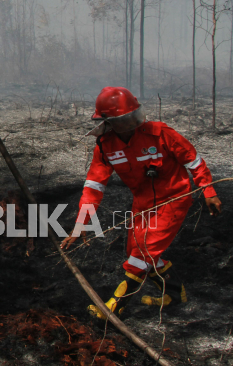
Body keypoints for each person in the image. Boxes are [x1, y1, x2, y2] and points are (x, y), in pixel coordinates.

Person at [61, 86, 222, 319]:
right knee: (137, 252)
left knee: (143, 253)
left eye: (133, 116)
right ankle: (174, 295)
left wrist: (209, 191)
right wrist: (81, 224)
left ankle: (113, 308)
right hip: (143, 204)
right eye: (124, 119)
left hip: (174, 200)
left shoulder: (160, 134)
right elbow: (94, 186)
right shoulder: (106, 146)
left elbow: (193, 161)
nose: (132, 122)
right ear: (108, 121)